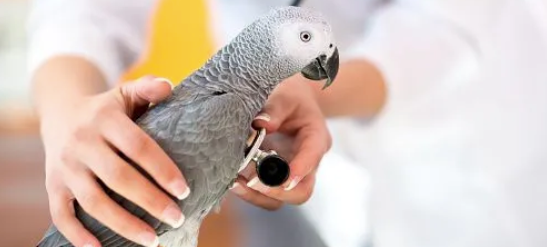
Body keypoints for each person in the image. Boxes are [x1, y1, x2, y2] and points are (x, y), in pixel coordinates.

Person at [27, 1, 547, 247]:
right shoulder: (218, 112)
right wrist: (66, 110)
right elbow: (81, 11)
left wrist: (310, 91)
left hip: (459, 156)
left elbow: (454, 30)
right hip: (283, 193)